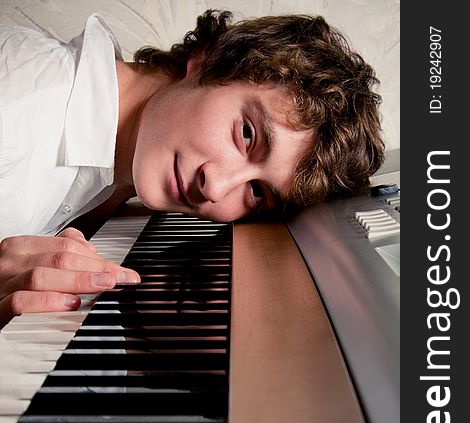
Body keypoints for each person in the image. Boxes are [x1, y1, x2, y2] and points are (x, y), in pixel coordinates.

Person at [0, 9, 384, 327]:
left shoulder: (117, 178)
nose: (216, 187)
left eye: (257, 192)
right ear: (209, 59)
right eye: (247, 133)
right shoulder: (17, 102)